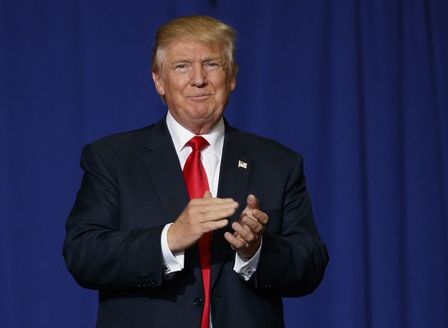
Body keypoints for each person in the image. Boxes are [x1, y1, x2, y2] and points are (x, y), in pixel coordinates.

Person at [63, 15, 328, 328]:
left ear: (231, 78)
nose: (198, 79)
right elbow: (84, 255)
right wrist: (170, 238)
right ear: (159, 81)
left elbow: (310, 265)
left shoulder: (279, 163)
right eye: (182, 66)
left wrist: (256, 251)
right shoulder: (111, 158)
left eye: (212, 64)